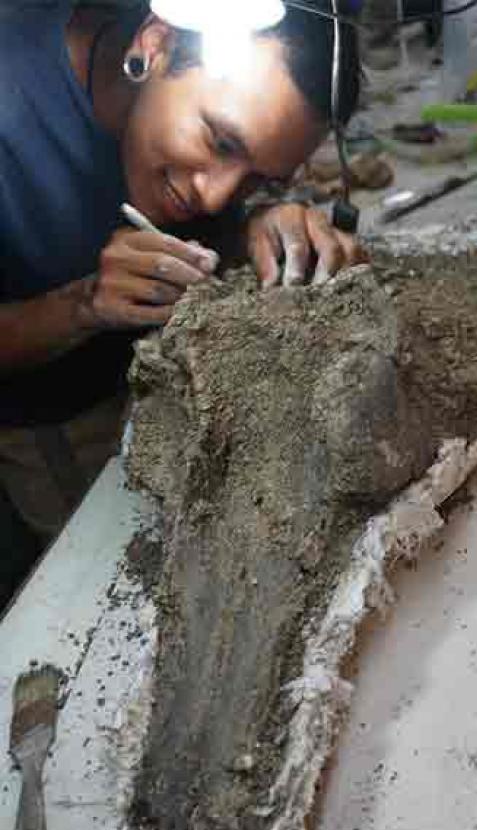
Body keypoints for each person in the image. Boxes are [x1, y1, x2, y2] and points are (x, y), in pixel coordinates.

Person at [0, 0, 363, 591]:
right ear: (156, 42)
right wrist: (81, 305)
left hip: (145, 388)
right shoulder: (12, 108)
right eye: (221, 143)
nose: (216, 195)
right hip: (52, 417)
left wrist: (255, 226)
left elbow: (217, 209)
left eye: (256, 177)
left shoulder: (201, 51)